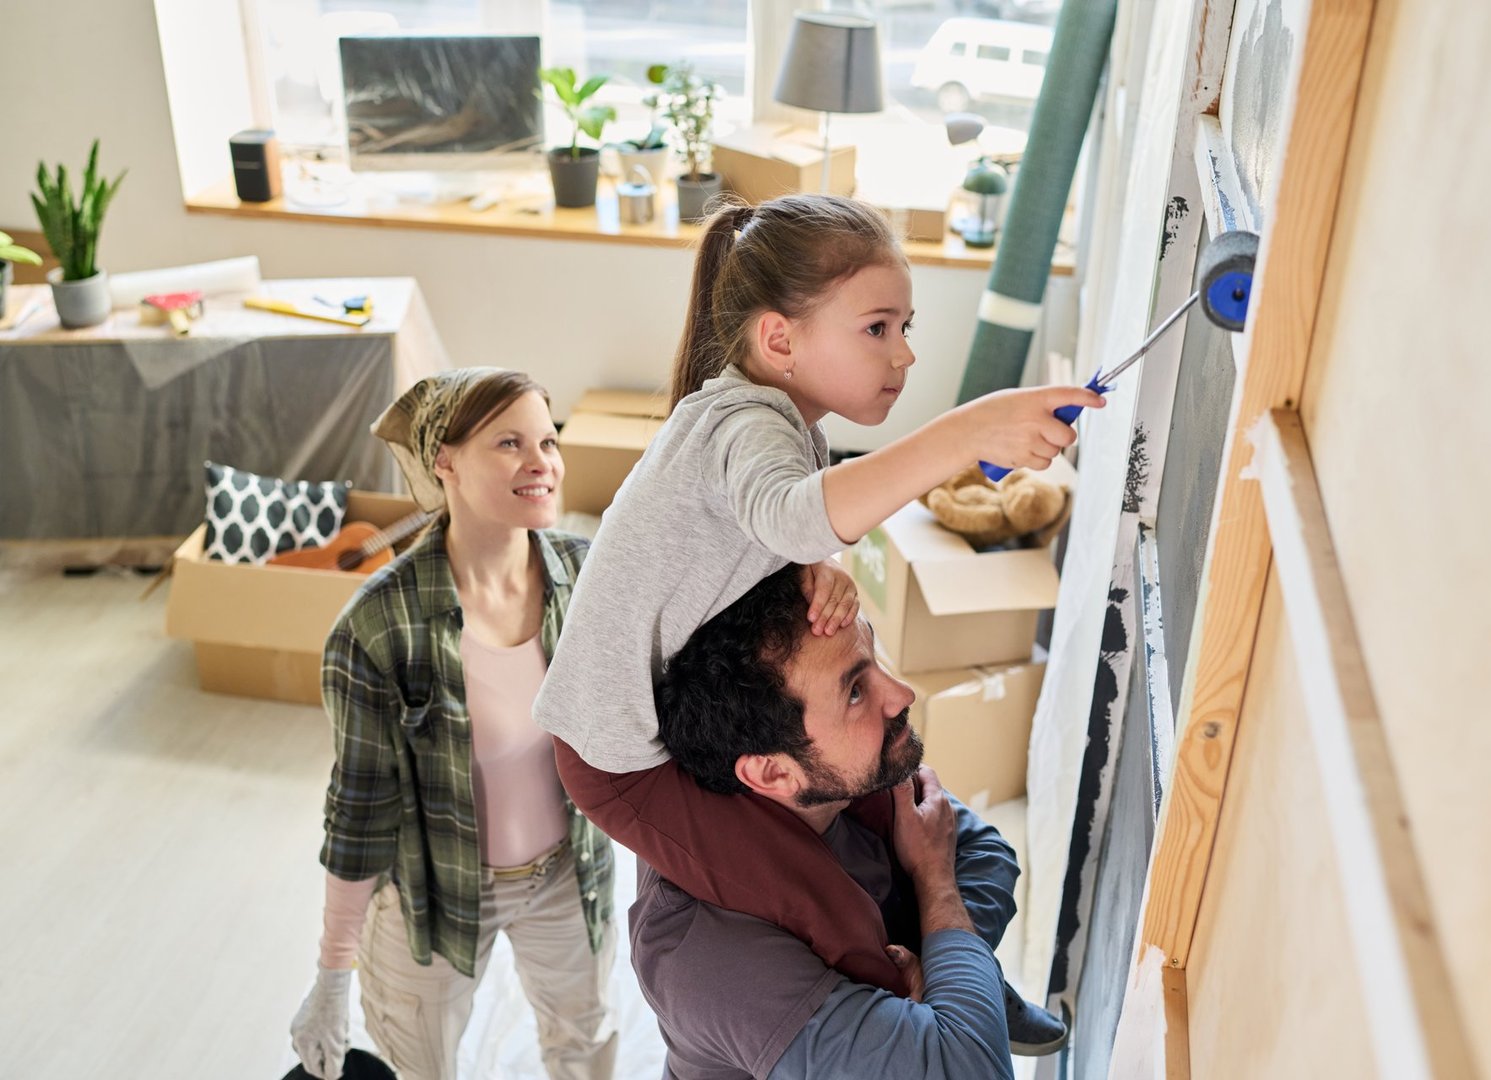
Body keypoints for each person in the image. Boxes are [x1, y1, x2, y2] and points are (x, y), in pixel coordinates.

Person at [535, 193, 1094, 1052]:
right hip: (617, 759)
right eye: (877, 328)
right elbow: (790, 515)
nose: (904, 353)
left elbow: (754, 536)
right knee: (812, 892)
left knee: (876, 798)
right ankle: (919, 1000)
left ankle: (968, 974)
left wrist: (813, 568)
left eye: (905, 326)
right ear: (780, 339)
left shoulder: (782, 425)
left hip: (664, 705)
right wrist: (965, 433)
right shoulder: (738, 419)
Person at [288, 369, 617, 1080]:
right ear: (447, 464)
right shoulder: (378, 627)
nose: (542, 464)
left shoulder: (587, 579)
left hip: (567, 875)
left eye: (548, 442)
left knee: (585, 1046)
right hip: (432, 896)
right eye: (509, 443)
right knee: (426, 1064)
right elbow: (359, 816)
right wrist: (333, 971)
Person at [633, 565, 1023, 1079]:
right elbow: (971, 1069)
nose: (901, 694)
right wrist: (933, 881)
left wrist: (935, 972)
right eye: (855, 692)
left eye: (872, 656)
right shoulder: (704, 951)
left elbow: (987, 852)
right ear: (772, 770)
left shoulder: (841, 776)